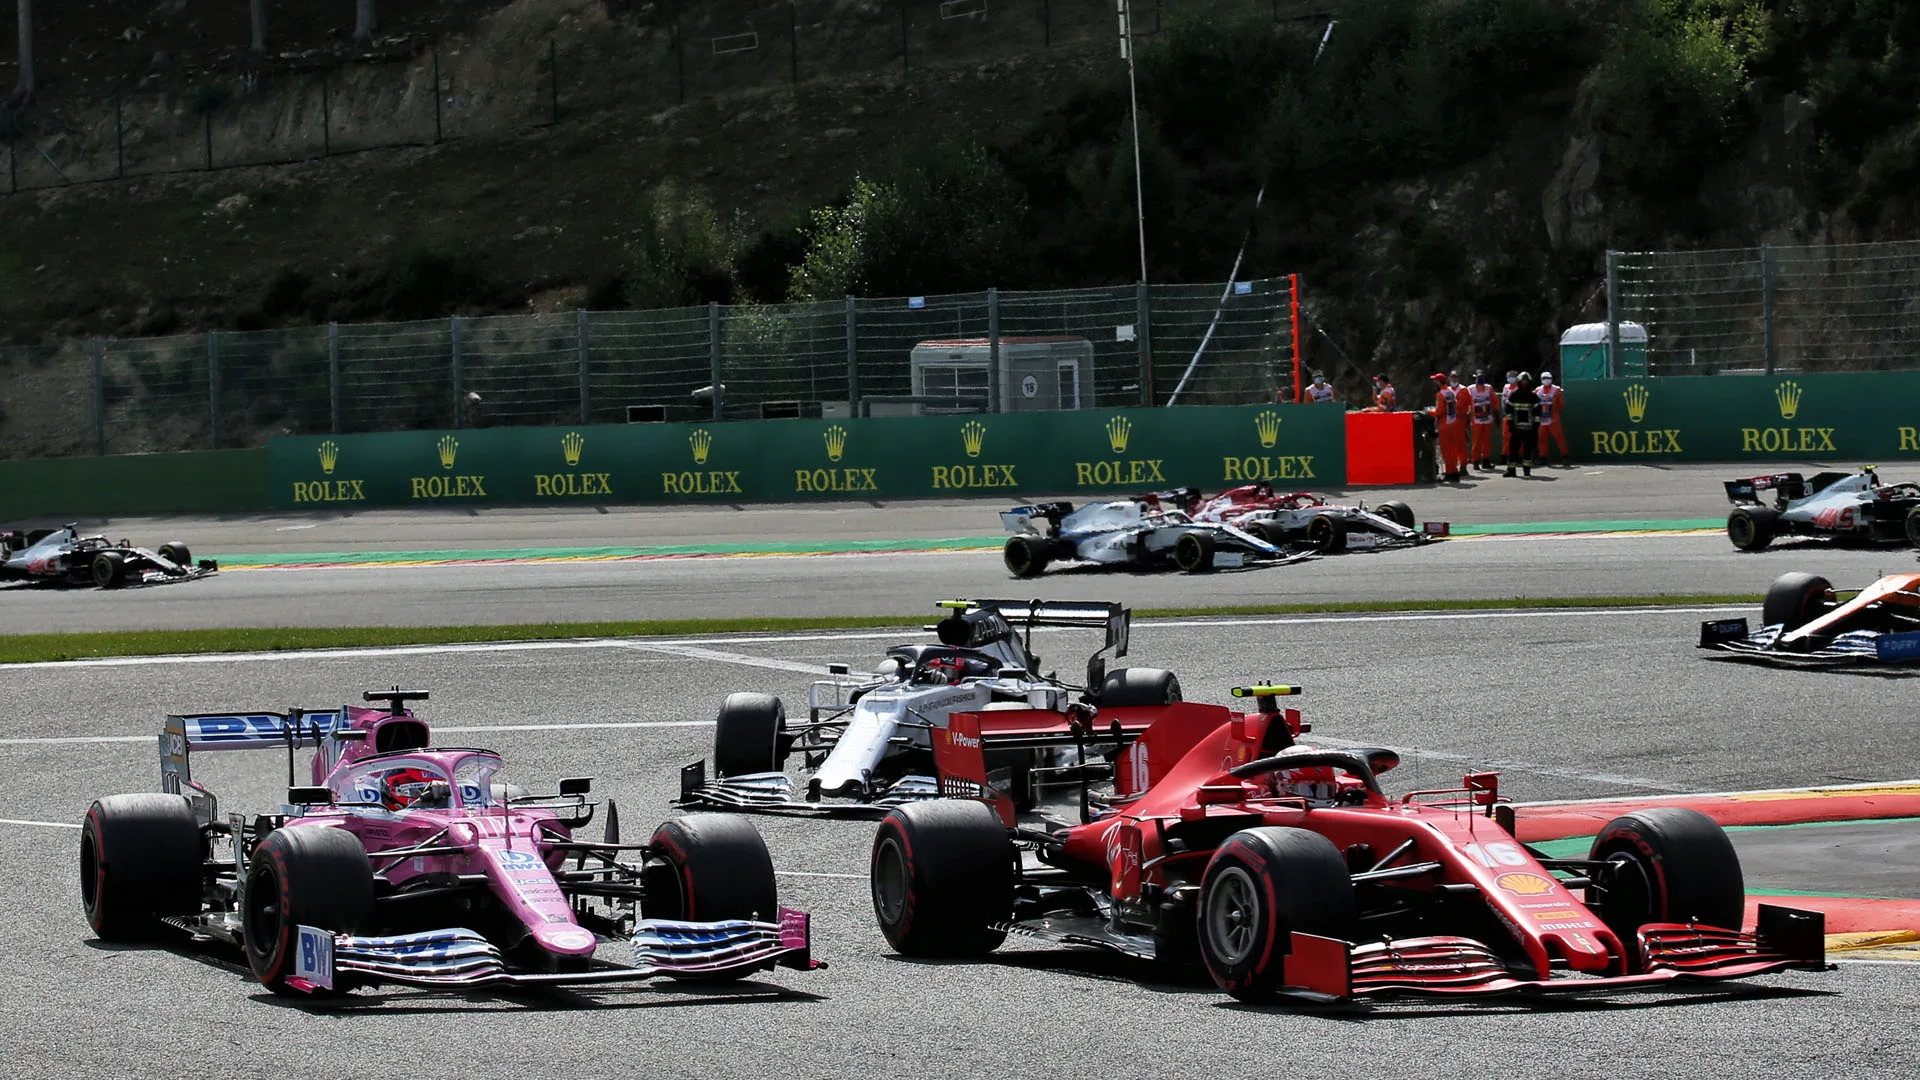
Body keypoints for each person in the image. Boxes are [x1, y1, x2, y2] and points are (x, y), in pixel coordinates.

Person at [1427, 372, 1467, 482]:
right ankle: (1453, 470)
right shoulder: (1450, 392)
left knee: (1446, 449)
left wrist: (1429, 412)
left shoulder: (1440, 394)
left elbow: (1440, 412)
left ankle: (1451, 472)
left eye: (1435, 381)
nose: (1434, 383)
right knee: (1453, 449)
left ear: (1439, 382)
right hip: (1453, 422)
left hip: (1445, 424)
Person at [1504, 372, 1541, 477]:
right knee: (1513, 449)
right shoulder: (1514, 395)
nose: (1524, 383)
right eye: (1523, 381)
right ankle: (1511, 470)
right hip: (1516, 428)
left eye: (1526, 381)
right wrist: (1510, 424)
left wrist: (1536, 426)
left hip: (1529, 429)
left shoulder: (1533, 396)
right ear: (1519, 382)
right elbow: (1509, 411)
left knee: (1527, 450)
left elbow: (1538, 412)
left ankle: (1527, 470)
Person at [1466, 372, 1498, 470]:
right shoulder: (1470, 389)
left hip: (1487, 418)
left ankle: (1486, 460)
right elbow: (1467, 403)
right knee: (1476, 441)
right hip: (1476, 419)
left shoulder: (1489, 388)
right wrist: (1467, 416)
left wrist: (1496, 414)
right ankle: (1475, 461)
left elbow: (1494, 401)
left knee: (1486, 441)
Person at [1537, 371, 1569, 466]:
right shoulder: (1537, 390)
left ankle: (1565, 456)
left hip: (1553, 418)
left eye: (1548, 378)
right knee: (1542, 439)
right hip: (1542, 419)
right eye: (1544, 378)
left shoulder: (1556, 390)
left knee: (1559, 438)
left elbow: (1561, 405)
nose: (1546, 380)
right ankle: (1542, 457)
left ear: (1551, 379)